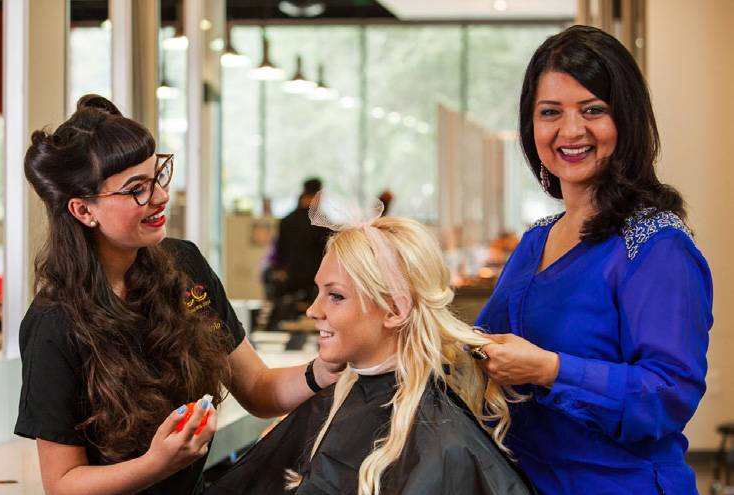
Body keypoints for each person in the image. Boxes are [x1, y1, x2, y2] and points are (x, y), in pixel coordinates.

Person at [14, 95, 342, 495]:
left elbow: (256, 387)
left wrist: (324, 371)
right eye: (137, 189)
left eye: (159, 175)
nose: (160, 196)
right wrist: (155, 465)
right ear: (84, 211)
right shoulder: (54, 324)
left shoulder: (184, 266)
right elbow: (63, 484)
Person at [474, 25, 713, 494]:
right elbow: (480, 349)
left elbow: (668, 396)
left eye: (593, 110)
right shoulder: (534, 242)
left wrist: (549, 370)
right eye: (550, 113)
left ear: (625, 119)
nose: (571, 130)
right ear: (531, 126)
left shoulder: (656, 246)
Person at [207, 198, 535, 495]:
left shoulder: (443, 444)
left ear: (394, 310)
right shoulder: (337, 398)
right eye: (318, 291)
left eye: (335, 296)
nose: (313, 310)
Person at [265, 178, 330, 332]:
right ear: (318, 195)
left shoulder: (287, 220)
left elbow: (279, 256)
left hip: (291, 281)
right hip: (314, 283)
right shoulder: (322, 222)